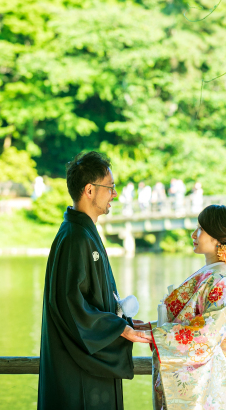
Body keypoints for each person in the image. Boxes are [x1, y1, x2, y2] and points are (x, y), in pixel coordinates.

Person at [38, 151, 152, 410]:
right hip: (78, 368)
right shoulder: (76, 237)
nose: (114, 193)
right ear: (90, 190)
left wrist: (126, 322)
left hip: (87, 360)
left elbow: (94, 299)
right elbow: (71, 306)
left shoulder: (83, 231)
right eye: (110, 187)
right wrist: (119, 329)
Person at [151, 205, 226, 410]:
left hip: (209, 390)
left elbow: (206, 335)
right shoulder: (214, 277)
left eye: (200, 228)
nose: (193, 234)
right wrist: (150, 328)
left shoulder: (221, 281)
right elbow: (188, 321)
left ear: (218, 238)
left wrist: (156, 335)